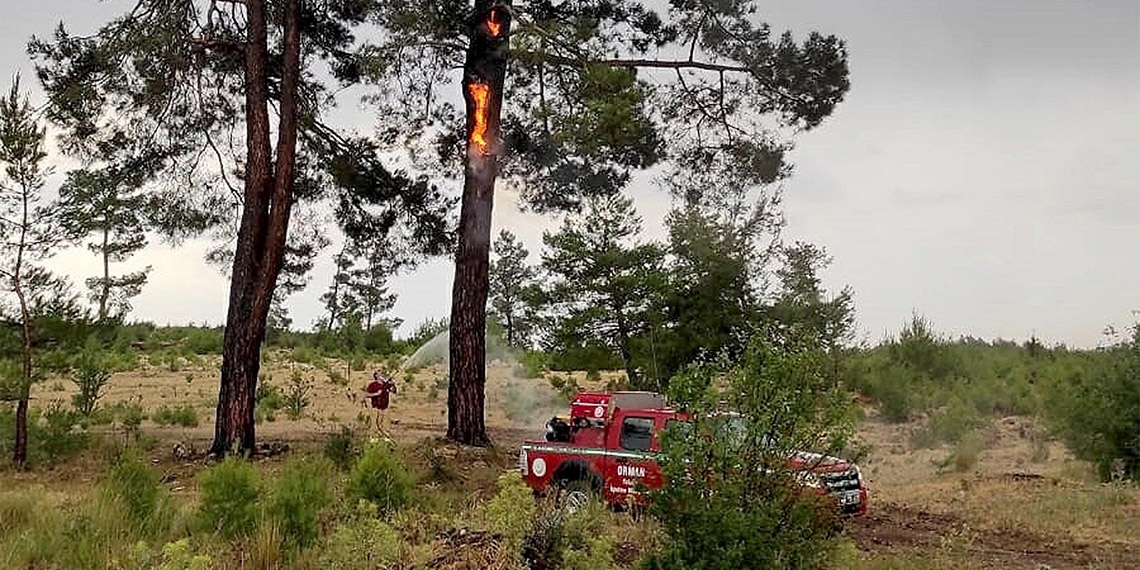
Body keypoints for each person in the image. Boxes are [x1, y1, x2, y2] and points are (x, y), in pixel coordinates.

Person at [364, 370, 397, 436]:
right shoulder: (373, 385)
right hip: (376, 408)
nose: (382, 375)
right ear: (376, 376)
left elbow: (394, 391)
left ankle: (386, 436)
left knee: (386, 423)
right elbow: (367, 394)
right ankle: (374, 437)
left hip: (385, 408)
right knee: (375, 423)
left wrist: (393, 384)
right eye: (380, 374)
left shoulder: (387, 385)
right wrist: (376, 394)